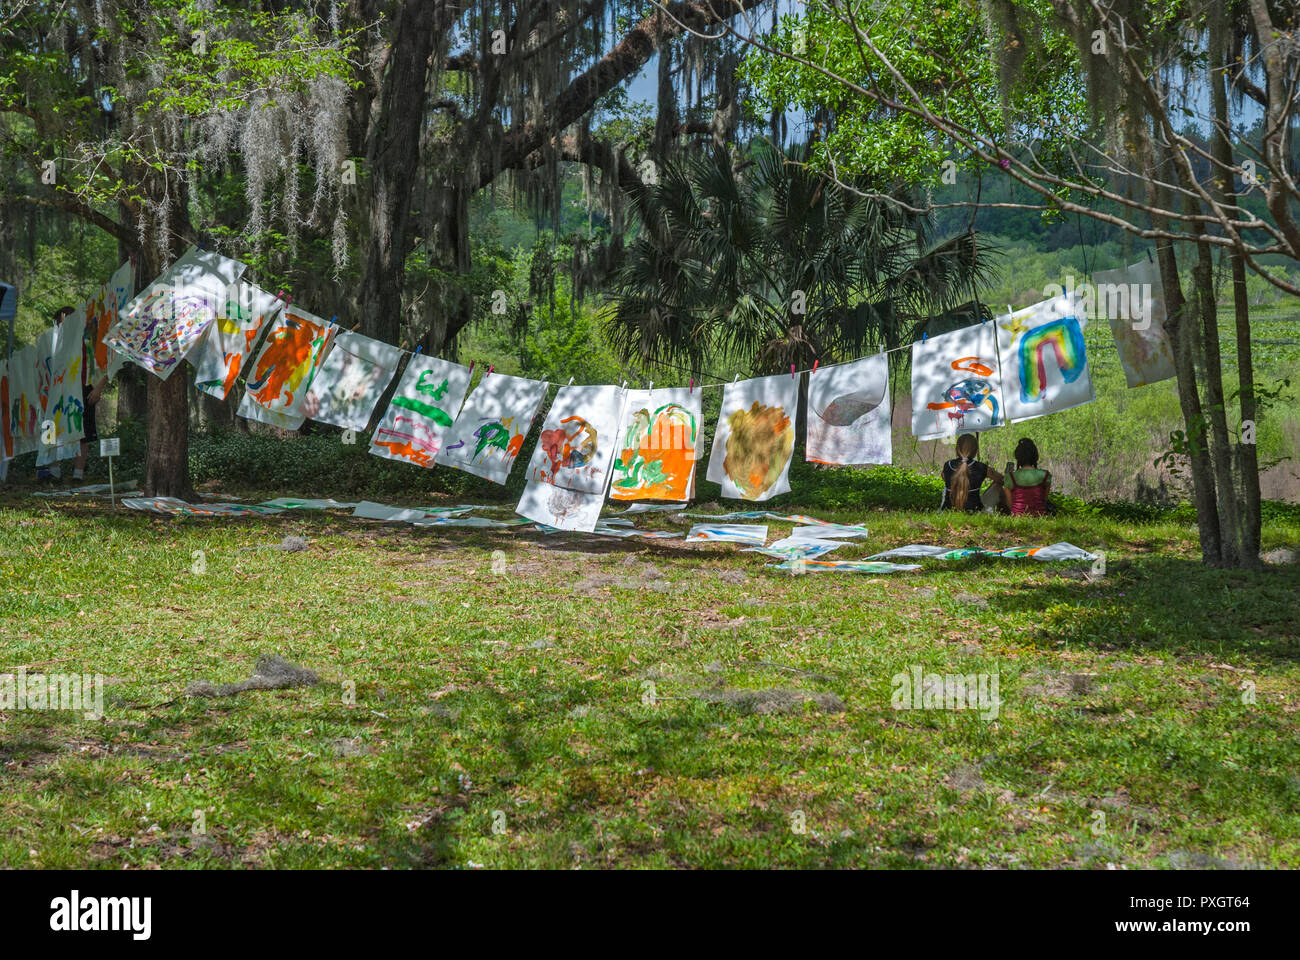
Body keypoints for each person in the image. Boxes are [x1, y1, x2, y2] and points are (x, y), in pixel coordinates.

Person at [36, 306, 76, 482]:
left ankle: (74, 471)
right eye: (62, 321)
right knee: (49, 426)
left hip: (70, 391)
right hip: (48, 390)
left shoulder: (77, 340)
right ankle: (52, 468)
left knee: (69, 428)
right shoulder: (46, 339)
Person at [940, 433, 1002, 512]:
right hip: (974, 510)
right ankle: (1009, 511)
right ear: (975, 450)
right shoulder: (981, 467)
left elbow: (943, 477)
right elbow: (1002, 479)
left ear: (957, 449)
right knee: (998, 484)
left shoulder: (948, 465)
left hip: (947, 510)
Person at [1003, 437, 1052, 516]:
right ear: (1035, 456)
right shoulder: (1045, 476)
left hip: (1017, 520)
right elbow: (1044, 500)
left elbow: (1009, 504)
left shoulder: (1010, 477)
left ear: (1017, 457)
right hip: (1040, 519)